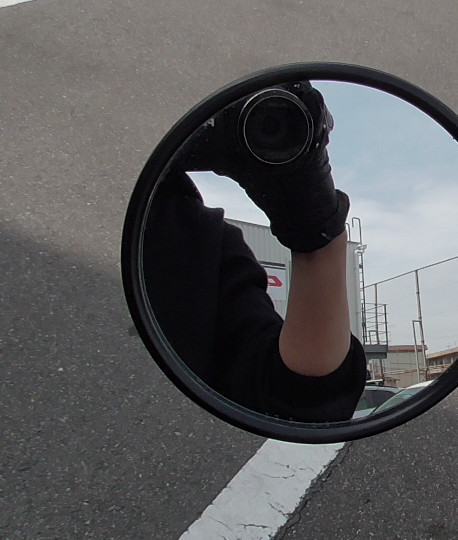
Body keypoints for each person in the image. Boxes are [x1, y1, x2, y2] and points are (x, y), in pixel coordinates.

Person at [142, 83, 366, 422]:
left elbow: (301, 398)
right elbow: (301, 402)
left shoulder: (199, 240)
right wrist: (320, 234)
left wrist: (316, 231)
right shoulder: (193, 238)